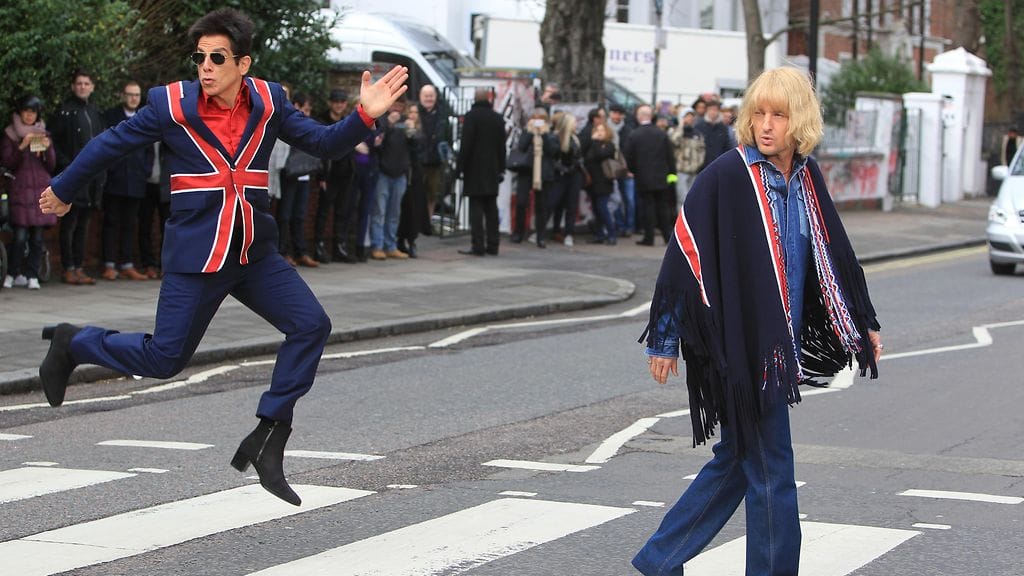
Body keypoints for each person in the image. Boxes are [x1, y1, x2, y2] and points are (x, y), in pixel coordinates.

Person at [37, 8, 409, 506]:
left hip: (254, 252)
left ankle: (269, 435)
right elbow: (110, 144)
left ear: (243, 63)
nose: (206, 67)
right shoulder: (170, 106)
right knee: (163, 359)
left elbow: (323, 144)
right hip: (196, 257)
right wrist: (62, 188)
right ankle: (74, 343)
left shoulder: (269, 101)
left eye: (217, 58)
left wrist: (364, 115)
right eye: (200, 58)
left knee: (311, 325)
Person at [631, 67, 884, 576]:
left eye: (780, 115)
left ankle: (660, 559)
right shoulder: (729, 174)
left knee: (736, 463)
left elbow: (834, 254)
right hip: (737, 348)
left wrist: (862, 324)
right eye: (759, 113)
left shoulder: (806, 178)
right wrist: (664, 340)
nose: (766, 125)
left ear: (801, 121)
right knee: (774, 472)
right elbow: (684, 255)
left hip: (775, 348)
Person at [50, 70, 105, 285]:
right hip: (73, 176)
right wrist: (67, 165)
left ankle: (79, 267)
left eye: (86, 83)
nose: (82, 87)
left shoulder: (95, 112)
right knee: (70, 223)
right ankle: (68, 267)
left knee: (84, 225)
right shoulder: (65, 112)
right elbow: (52, 142)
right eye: (79, 83)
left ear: (92, 87)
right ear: (73, 87)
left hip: (92, 178)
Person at [1, 95, 57, 291]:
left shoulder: (43, 134)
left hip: (40, 191)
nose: (28, 115)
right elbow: (7, 163)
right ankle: (12, 272)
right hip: (20, 191)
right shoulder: (10, 134)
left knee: (38, 237)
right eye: (25, 111)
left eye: (32, 112)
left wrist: (48, 149)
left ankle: (32, 274)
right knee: (19, 236)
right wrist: (22, 146)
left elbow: (51, 165)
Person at [101, 81, 151, 281]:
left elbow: (149, 148)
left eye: (137, 95)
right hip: (115, 180)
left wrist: (145, 171)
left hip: (137, 180)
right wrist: (111, 169)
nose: (133, 98)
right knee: (111, 222)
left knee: (131, 223)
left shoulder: (145, 117)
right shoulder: (111, 116)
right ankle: (109, 264)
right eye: (130, 94)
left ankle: (127, 264)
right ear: (123, 95)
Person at [456, 88, 506, 256]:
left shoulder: (471, 117)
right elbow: (502, 147)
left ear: (474, 99)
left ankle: (478, 245)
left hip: (474, 169)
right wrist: (501, 169)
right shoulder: (497, 118)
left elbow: (466, 145)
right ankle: (493, 245)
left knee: (476, 208)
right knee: (491, 208)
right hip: (492, 169)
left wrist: (459, 168)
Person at [277, 92, 321, 268]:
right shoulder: (287, 123)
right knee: (285, 214)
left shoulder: (308, 124)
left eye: (309, 109)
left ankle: (300, 251)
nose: (306, 112)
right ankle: (283, 251)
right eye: (303, 108)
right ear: (295, 105)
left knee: (299, 215)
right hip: (288, 173)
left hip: (304, 173)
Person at [314, 88, 357, 263]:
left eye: (342, 102)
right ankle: (319, 246)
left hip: (345, 172)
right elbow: (319, 151)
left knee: (342, 212)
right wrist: (321, 176)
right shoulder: (321, 121)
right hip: (329, 174)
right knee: (323, 212)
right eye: (336, 102)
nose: (339, 105)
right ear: (330, 103)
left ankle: (339, 246)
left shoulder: (347, 121)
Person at [624, 104, 676, 247]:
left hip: (643, 177)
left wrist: (633, 170)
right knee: (662, 207)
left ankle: (649, 237)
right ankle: (668, 237)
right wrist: (672, 174)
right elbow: (670, 156)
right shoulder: (661, 134)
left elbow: (628, 156)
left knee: (647, 207)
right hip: (661, 176)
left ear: (639, 116)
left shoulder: (634, 135)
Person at [369, 102, 412, 260]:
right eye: (395, 105)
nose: (397, 109)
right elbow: (375, 142)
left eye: (401, 106)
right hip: (383, 172)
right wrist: (388, 124)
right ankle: (377, 245)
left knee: (394, 212)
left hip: (400, 173)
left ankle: (390, 245)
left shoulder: (406, 121)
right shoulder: (382, 120)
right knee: (379, 211)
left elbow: (417, 145)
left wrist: (412, 131)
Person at [510, 107, 558, 248]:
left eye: (540, 119)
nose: (537, 122)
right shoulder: (527, 131)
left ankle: (540, 236)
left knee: (541, 206)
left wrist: (543, 134)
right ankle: (518, 232)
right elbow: (522, 147)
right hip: (527, 171)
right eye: (535, 118)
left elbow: (553, 151)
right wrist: (530, 132)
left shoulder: (551, 134)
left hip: (543, 173)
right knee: (521, 202)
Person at [548, 113, 583, 247]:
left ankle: (569, 233)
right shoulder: (555, 138)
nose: (576, 125)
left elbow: (579, 156)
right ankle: (545, 230)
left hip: (574, 175)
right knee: (553, 203)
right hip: (561, 175)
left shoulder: (575, 138)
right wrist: (562, 168)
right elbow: (552, 158)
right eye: (573, 122)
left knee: (572, 205)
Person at [396, 103, 427, 258]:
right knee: (401, 208)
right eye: (410, 112)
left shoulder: (419, 133)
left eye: (415, 112)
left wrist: (412, 133)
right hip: (402, 172)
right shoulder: (401, 130)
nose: (413, 115)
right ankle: (399, 240)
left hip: (415, 176)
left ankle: (411, 240)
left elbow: (420, 150)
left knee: (413, 210)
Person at [582, 122, 617, 245]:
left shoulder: (609, 146)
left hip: (604, 182)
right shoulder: (592, 144)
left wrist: (595, 141)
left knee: (603, 208)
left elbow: (600, 155)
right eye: (597, 130)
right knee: (596, 210)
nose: (599, 132)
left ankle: (612, 234)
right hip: (592, 182)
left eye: (602, 130)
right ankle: (599, 235)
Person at [417, 84, 447, 224]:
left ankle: (427, 222)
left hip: (435, 160)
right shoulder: (415, 112)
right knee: (417, 193)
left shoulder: (442, 113)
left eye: (431, 95)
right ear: (420, 97)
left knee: (432, 194)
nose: (429, 98)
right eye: (426, 96)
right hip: (418, 159)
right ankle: (416, 222)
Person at [694, 99, 733, 173]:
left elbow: (727, 146)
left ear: (718, 111)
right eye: (710, 109)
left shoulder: (722, 127)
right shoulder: (699, 126)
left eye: (715, 110)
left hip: (718, 165)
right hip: (701, 165)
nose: (713, 112)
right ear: (707, 111)